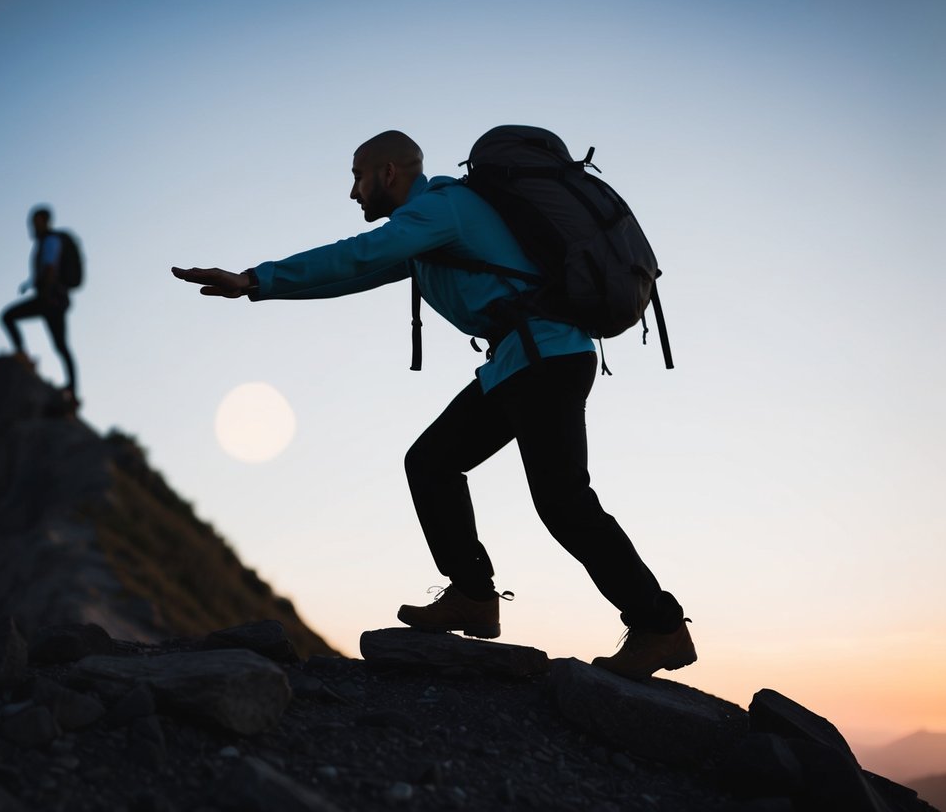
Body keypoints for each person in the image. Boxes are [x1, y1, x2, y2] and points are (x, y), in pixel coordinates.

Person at [171, 131, 695, 680]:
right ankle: (472, 595)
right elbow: (359, 271)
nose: (353, 192)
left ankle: (659, 625)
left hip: (545, 358)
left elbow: (358, 253)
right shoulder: (427, 229)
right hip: (521, 362)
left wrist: (256, 277)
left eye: (358, 176)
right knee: (433, 462)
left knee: (563, 502)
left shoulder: (441, 209)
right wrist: (258, 288)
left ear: (389, 173)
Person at [1, 206, 78, 407]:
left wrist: (45, 295)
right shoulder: (44, 242)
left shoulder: (50, 241)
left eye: (35, 220)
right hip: (52, 299)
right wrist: (30, 284)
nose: (32, 225)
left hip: (51, 299)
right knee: (60, 345)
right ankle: (72, 390)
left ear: (44, 220)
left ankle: (71, 390)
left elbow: (50, 268)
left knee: (8, 317)